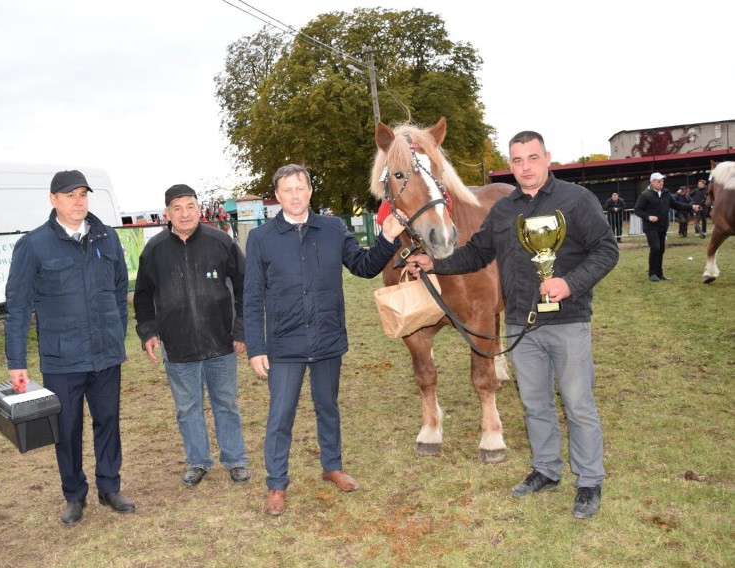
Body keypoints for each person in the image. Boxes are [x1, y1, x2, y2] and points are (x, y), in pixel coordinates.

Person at [406, 131, 619, 519]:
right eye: (517, 161)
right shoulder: (503, 210)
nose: (525, 167)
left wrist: (571, 283)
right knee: (534, 403)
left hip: (568, 319)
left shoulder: (576, 199)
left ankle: (588, 480)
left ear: (547, 158)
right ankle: (546, 470)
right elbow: (475, 253)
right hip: (522, 322)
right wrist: (434, 263)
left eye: (532, 158)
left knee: (578, 404)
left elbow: (607, 249)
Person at [243, 163, 406, 516]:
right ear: (278, 196)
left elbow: (363, 266)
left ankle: (332, 466)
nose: (295, 195)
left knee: (328, 408)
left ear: (310, 191)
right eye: (287, 190)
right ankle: (276, 484)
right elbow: (252, 296)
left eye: (300, 188)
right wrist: (256, 347)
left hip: (327, 339)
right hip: (284, 346)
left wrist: (387, 238)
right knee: (280, 416)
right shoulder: (261, 239)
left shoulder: (333, 228)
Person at [5, 169, 135, 525]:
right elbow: (17, 307)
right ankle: (74, 495)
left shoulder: (106, 238)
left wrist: (115, 333)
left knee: (108, 421)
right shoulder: (33, 245)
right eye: (70, 195)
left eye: (83, 195)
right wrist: (16, 362)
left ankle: (110, 488)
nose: (78, 202)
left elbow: (119, 292)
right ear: (54, 200)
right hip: (63, 359)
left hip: (106, 354)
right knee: (67, 429)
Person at [133, 184, 250, 487]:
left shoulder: (221, 242)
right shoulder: (154, 250)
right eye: (177, 208)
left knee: (226, 403)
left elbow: (244, 288)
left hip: (221, 342)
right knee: (187, 408)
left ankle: (235, 459)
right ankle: (197, 461)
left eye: (190, 206)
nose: (184, 213)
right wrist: (148, 331)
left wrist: (240, 330)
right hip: (178, 344)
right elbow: (143, 296)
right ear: (167, 214)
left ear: (199, 209)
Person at [633, 172, 700, 282]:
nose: (661, 183)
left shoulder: (666, 192)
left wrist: (692, 207)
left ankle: (659, 273)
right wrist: (648, 217)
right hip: (650, 226)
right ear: (652, 182)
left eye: (662, 181)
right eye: (659, 181)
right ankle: (652, 273)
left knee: (661, 249)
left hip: (663, 225)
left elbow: (676, 204)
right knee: (655, 248)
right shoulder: (645, 195)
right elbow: (637, 210)